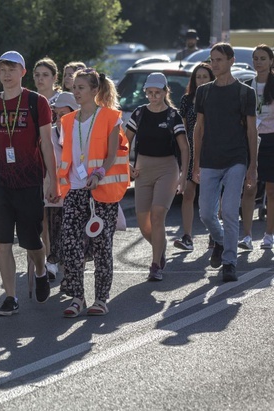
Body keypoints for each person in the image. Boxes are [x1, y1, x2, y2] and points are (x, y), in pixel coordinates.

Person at [0, 51, 56, 316]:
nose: (6, 74)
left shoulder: (36, 101)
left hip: (30, 181)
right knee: (2, 241)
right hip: (0, 182)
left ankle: (41, 272)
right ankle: (11, 297)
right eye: (2, 69)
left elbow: (47, 143)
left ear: (22, 72)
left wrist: (52, 179)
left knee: (32, 241)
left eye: (11, 69)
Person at [55, 68, 130, 317]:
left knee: (101, 246)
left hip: (101, 190)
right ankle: (77, 297)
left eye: (81, 88)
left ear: (95, 90)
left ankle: (100, 299)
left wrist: (99, 173)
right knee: (70, 244)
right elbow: (69, 155)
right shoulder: (66, 121)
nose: (75, 92)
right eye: (74, 87)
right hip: (75, 190)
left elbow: (111, 154)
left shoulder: (110, 117)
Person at [194, 43, 258, 282]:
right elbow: (198, 128)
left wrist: (253, 165)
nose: (215, 64)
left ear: (231, 61)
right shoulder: (204, 92)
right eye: (213, 60)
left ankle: (230, 262)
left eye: (219, 60)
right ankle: (220, 241)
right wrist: (195, 162)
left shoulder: (245, 92)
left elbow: (251, 131)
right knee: (206, 213)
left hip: (236, 158)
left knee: (230, 211)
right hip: (210, 159)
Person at [125, 73, 190, 281]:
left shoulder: (173, 116)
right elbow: (124, 142)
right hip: (142, 169)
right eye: (150, 93)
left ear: (165, 92)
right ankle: (159, 249)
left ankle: (155, 266)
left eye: (157, 93)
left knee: (157, 215)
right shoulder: (139, 113)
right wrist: (126, 165)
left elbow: (184, 147)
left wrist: (183, 175)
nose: (153, 97)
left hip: (167, 168)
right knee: (143, 223)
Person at [175, 62, 214, 251]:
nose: (201, 80)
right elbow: (182, 128)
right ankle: (187, 236)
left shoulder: (216, 97)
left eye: (205, 76)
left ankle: (214, 235)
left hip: (212, 150)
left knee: (211, 196)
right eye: (198, 77)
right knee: (188, 193)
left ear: (211, 78)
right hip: (191, 149)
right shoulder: (186, 99)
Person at [239, 44, 274, 250]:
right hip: (251, 140)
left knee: (271, 189)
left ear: (271, 61)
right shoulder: (246, 85)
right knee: (249, 187)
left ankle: (269, 234)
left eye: (263, 58)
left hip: (271, 140)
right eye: (256, 58)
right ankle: (247, 236)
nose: (258, 62)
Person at [44, 92, 80, 280]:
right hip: (54, 194)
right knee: (54, 230)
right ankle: (52, 262)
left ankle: (70, 277)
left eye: (63, 114)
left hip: (76, 193)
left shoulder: (83, 133)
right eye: (56, 115)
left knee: (72, 237)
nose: (58, 119)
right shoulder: (49, 134)